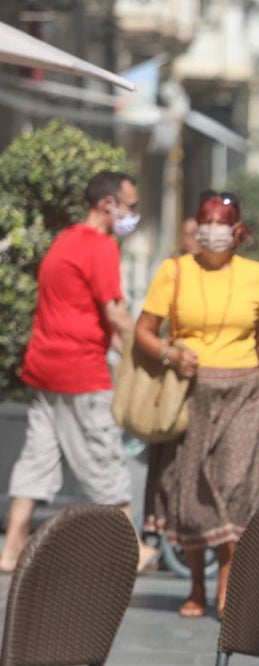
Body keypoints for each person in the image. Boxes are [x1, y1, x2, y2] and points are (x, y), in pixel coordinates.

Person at [1, 171, 157, 574]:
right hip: (80, 371)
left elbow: (82, 310)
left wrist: (123, 348)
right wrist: (155, 351)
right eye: (131, 206)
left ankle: (11, 548)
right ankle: (132, 547)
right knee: (103, 455)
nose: (134, 214)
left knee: (37, 459)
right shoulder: (99, 246)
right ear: (108, 204)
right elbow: (115, 312)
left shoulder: (65, 240)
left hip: (44, 368)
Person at [134, 190, 259, 619]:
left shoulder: (255, 274)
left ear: (237, 230)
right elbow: (143, 331)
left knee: (235, 487)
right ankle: (197, 586)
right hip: (189, 392)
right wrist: (170, 354)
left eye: (222, 222)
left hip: (243, 392)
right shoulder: (174, 270)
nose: (213, 230)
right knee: (193, 488)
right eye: (206, 222)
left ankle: (227, 587)